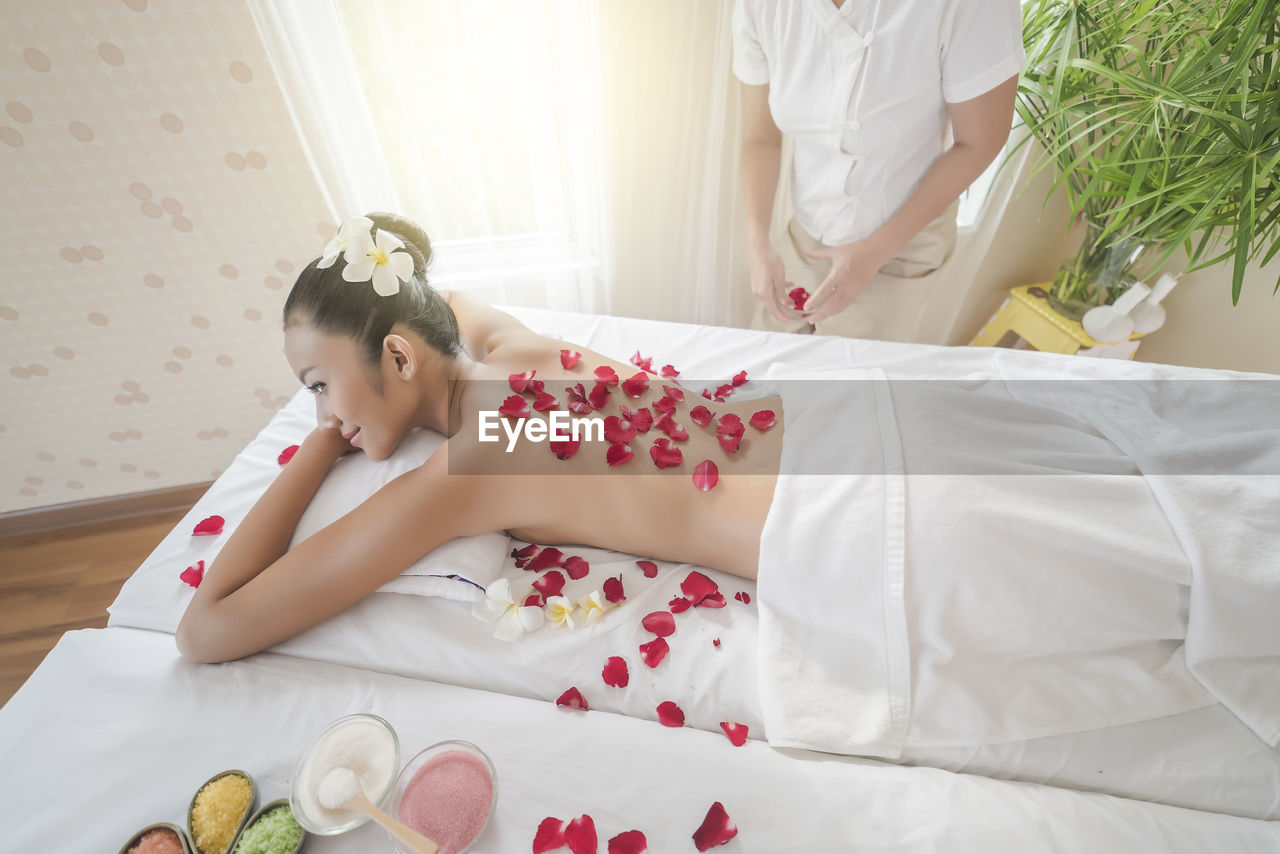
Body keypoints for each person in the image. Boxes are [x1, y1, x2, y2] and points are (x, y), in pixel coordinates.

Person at [176, 213, 784, 664]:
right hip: (812, 443)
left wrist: (320, 448)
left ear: (399, 355)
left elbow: (205, 631)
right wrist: (365, 281)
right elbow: (448, 303)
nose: (323, 412)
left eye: (317, 386)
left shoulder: (472, 466)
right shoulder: (512, 344)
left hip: (808, 526)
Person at [735, 0, 1024, 341]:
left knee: (841, 382)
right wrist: (758, 245)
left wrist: (874, 252)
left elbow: (980, 141)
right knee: (761, 359)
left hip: (900, 243)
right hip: (807, 233)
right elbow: (760, 139)